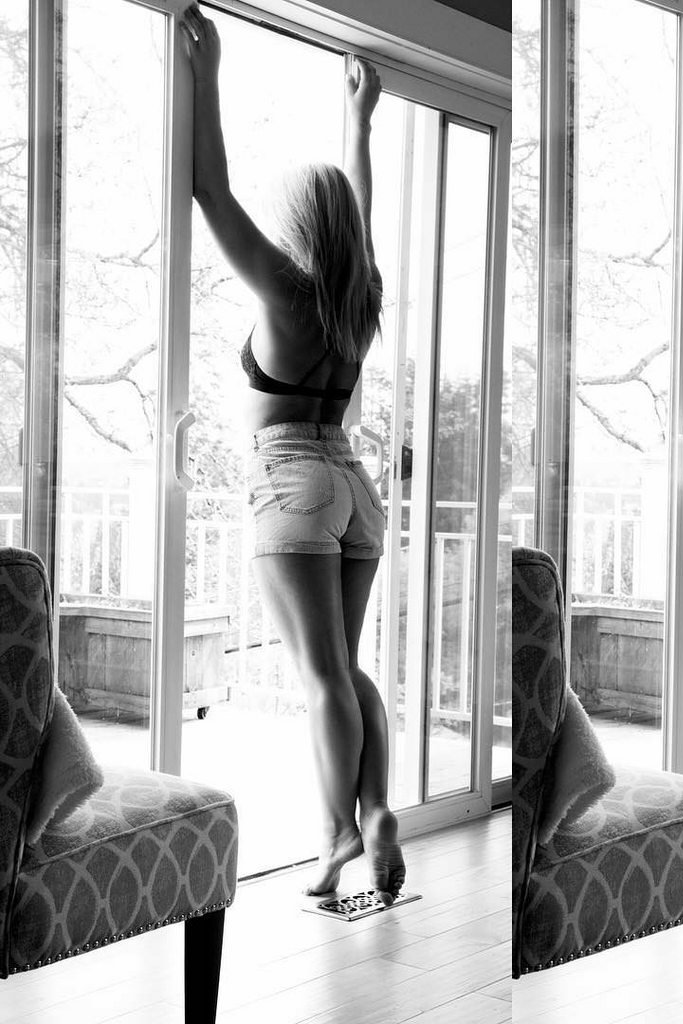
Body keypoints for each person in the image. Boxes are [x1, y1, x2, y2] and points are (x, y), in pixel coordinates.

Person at [179, 4, 405, 904]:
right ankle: (377, 809)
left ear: (302, 228)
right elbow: (362, 213)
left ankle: (339, 834)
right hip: (353, 482)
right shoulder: (361, 298)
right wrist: (360, 122)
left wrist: (206, 73)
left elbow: (210, 191)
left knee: (320, 677)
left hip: (291, 480)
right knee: (347, 668)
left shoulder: (285, 289)